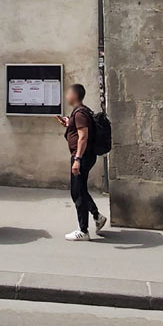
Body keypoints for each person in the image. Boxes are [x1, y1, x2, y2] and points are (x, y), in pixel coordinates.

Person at [56, 83, 108, 241]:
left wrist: (77, 159)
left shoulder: (80, 114)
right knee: (80, 190)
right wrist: (68, 123)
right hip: (83, 156)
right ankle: (97, 216)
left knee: (77, 192)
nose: (66, 96)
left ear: (74, 95)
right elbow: (79, 130)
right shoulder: (80, 113)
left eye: (68, 93)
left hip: (82, 156)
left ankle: (83, 230)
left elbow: (83, 137)